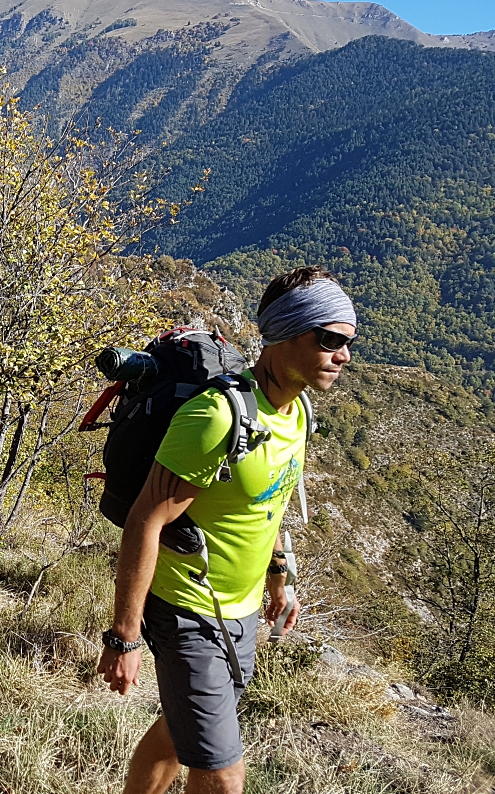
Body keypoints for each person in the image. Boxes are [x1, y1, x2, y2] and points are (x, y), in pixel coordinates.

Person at [97, 266, 356, 794]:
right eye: (329, 339)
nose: (343, 355)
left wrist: (279, 574)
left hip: (239, 612)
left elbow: (273, 500)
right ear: (286, 334)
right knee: (223, 773)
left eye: (348, 342)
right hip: (187, 609)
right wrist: (123, 637)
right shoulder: (217, 416)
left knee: (179, 732)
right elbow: (147, 518)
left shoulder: (297, 412)